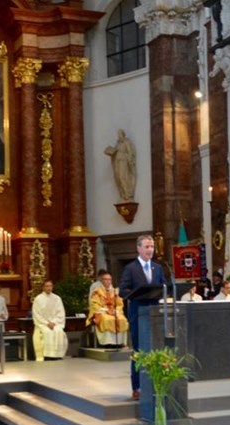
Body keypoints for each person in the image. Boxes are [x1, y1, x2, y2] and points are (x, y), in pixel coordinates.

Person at [118, 234, 164, 400]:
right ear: (138, 248)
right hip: (138, 313)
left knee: (155, 348)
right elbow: (123, 290)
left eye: (152, 247)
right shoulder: (131, 268)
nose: (150, 250)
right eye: (147, 247)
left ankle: (156, 382)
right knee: (138, 350)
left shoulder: (157, 268)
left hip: (154, 313)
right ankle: (137, 386)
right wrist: (135, 294)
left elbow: (163, 286)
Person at [87, 272, 129, 348]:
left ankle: (119, 342)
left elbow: (120, 304)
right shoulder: (96, 292)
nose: (107, 281)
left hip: (114, 311)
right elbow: (95, 304)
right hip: (102, 311)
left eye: (109, 279)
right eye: (105, 279)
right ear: (102, 280)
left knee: (122, 319)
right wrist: (106, 310)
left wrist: (116, 310)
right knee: (106, 319)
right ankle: (107, 343)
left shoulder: (115, 291)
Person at [32, 279, 68, 361]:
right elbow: (37, 314)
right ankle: (47, 355)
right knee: (47, 332)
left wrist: (54, 322)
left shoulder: (57, 298)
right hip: (43, 324)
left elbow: (60, 313)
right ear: (43, 288)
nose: (49, 288)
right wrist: (46, 323)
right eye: (47, 286)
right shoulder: (38, 299)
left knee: (58, 331)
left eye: (50, 286)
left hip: (55, 323)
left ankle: (57, 354)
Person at [104, 129, 137, 202]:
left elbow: (130, 153)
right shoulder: (117, 143)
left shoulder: (126, 142)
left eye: (120, 134)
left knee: (122, 177)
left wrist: (129, 159)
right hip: (117, 161)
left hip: (123, 161)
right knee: (118, 177)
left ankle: (128, 193)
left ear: (123, 135)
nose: (119, 136)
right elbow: (115, 151)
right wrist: (111, 152)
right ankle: (122, 194)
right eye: (118, 135)